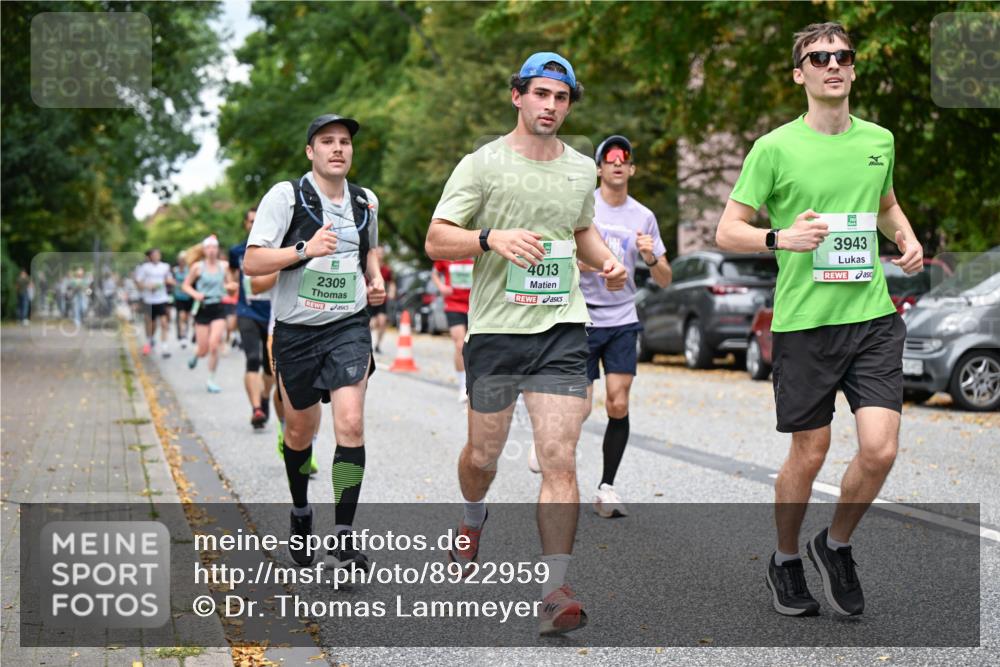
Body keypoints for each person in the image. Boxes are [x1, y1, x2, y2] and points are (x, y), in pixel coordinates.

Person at [716, 22, 924, 618]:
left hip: (873, 317)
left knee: (880, 450)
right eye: (818, 57)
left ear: (854, 69)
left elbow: (884, 205)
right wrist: (781, 236)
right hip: (806, 321)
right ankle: (785, 560)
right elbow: (727, 228)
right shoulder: (774, 147)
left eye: (842, 56)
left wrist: (905, 238)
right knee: (809, 453)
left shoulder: (879, 139)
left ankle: (835, 546)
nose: (832, 64)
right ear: (799, 73)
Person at [425, 52, 626, 636]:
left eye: (561, 98)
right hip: (495, 332)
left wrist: (606, 259)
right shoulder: (482, 164)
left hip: (562, 328)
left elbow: (580, 229)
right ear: (517, 96)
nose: (551, 107)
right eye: (541, 94)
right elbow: (438, 239)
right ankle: (471, 516)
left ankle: (554, 589)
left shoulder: (580, 169)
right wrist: (491, 238)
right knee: (482, 457)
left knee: (560, 456)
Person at [243, 113, 385, 574]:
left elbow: (372, 250)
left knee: (351, 423)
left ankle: (343, 536)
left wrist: (376, 276)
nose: (338, 149)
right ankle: (301, 511)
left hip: (348, 326)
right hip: (296, 332)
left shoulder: (366, 201)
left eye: (344, 142)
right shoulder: (286, 197)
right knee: (300, 433)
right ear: (311, 151)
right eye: (327, 141)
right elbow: (252, 262)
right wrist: (304, 249)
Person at [561, 134, 672, 518]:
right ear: (599, 168)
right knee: (580, 409)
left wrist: (651, 256)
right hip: (583, 317)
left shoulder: (643, 217)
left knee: (618, 403)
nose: (618, 163)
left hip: (623, 318)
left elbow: (664, 278)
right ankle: (560, 475)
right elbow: (562, 261)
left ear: (632, 168)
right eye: (610, 158)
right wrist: (595, 265)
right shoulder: (583, 207)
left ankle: (606, 487)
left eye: (624, 158)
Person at [229, 207, 276, 430]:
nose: (254, 224)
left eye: (258, 220)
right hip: (246, 311)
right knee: (253, 359)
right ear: (245, 225)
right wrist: (230, 286)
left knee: (270, 369)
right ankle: (256, 408)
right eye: (250, 221)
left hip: (273, 313)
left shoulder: (277, 248)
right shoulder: (237, 251)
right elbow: (231, 275)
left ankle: (265, 396)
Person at [183, 236, 236, 392]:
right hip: (202, 307)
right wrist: (196, 294)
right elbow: (185, 285)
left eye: (214, 247)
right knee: (203, 349)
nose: (212, 250)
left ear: (217, 249)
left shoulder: (224, 266)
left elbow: (230, 286)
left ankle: (211, 380)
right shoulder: (197, 267)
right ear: (204, 250)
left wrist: (232, 287)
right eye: (209, 247)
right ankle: (196, 355)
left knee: (214, 345)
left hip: (218, 307)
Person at [431, 257, 474, 402]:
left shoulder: (476, 252)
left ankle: (475, 382)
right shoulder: (448, 255)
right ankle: (463, 386)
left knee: (474, 346)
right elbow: (434, 273)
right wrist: (441, 287)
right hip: (453, 304)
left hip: (474, 305)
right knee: (460, 345)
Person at [136, 248, 175, 357]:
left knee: (164, 322)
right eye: (154, 254)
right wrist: (148, 286)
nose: (157, 256)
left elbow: (169, 279)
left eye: (158, 254)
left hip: (162, 299)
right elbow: (139, 283)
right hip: (149, 299)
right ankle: (149, 341)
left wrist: (171, 282)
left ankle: (164, 348)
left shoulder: (165, 267)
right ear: (150, 256)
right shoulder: (144, 268)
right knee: (151, 324)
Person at [368, 246, 395, 354]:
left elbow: (391, 282)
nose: (379, 255)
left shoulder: (386, 270)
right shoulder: (367, 267)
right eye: (377, 253)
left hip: (381, 300)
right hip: (368, 300)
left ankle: (378, 345)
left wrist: (392, 292)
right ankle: (367, 343)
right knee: (372, 324)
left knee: (382, 321)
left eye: (381, 253)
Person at [172, 253, 193, 348]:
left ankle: (185, 333)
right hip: (179, 297)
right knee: (181, 316)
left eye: (184, 260)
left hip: (188, 297)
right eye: (181, 259)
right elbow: (171, 281)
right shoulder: (175, 270)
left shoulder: (189, 270)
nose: (182, 261)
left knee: (187, 317)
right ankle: (183, 336)